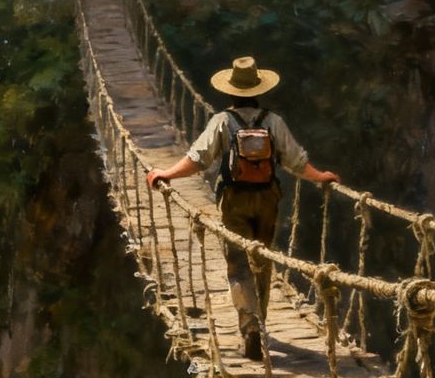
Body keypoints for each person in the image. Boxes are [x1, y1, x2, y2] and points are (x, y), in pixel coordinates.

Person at [146, 56, 340, 361]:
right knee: (262, 260)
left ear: (231, 92)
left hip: (234, 198)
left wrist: (166, 174)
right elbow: (296, 161)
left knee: (238, 264)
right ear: (258, 89)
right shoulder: (273, 121)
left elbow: (198, 160)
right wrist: (321, 177)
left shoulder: (223, 121)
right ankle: (259, 323)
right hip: (267, 199)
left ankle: (249, 326)